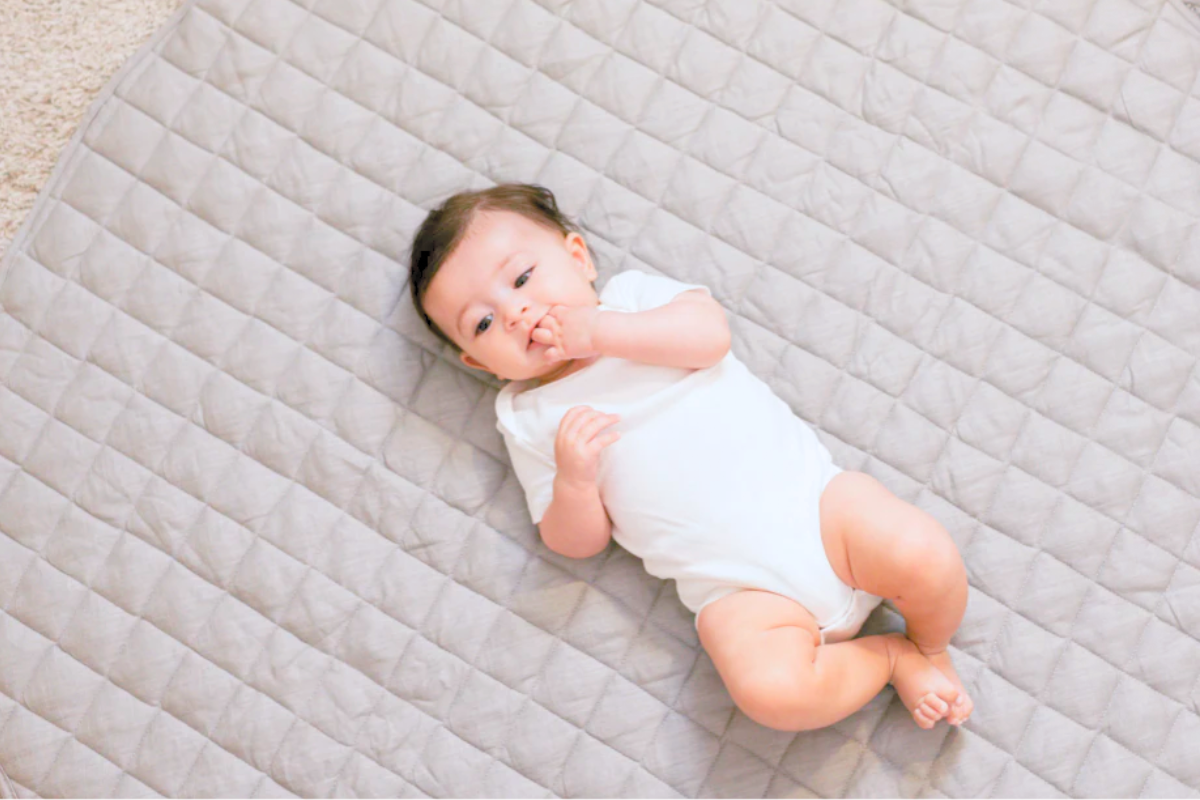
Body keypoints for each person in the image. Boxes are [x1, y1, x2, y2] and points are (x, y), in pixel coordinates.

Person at [409, 183, 974, 732]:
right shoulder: (529, 416)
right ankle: (892, 660)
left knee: (924, 556)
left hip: (820, 512)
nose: (515, 313)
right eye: (483, 323)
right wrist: (575, 482)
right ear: (480, 363)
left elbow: (709, 338)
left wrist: (601, 331)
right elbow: (573, 543)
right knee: (772, 695)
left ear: (578, 257)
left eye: (523, 277)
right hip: (741, 594)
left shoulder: (632, 302)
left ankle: (930, 646)